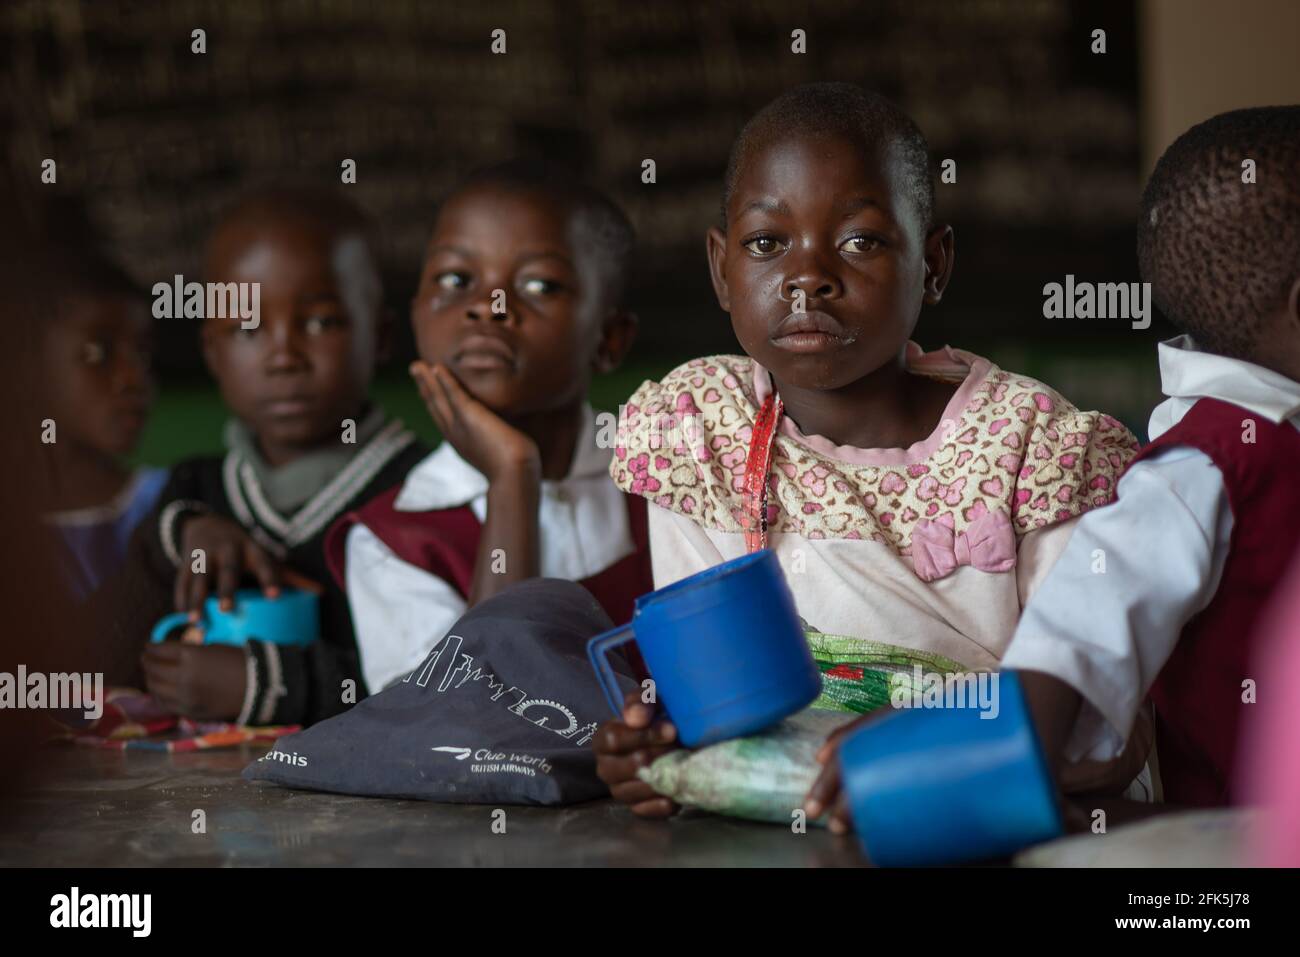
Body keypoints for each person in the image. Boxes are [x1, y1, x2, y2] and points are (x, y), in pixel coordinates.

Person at [595, 83, 1141, 818]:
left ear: (934, 264)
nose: (807, 275)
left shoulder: (1029, 445)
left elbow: (1096, 724)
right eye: (766, 243)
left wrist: (934, 748)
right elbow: (715, 711)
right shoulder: (700, 432)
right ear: (722, 269)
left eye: (860, 240)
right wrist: (661, 754)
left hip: (978, 823)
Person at [95, 187, 428, 727]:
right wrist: (175, 541)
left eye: (320, 322)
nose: (283, 356)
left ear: (382, 336)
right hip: (192, 806)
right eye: (247, 328)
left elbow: (438, 684)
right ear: (212, 352)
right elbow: (98, 659)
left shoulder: (424, 494)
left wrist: (267, 685)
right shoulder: (195, 492)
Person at [326, 161, 652, 694]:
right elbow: (468, 724)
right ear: (415, 316)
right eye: (457, 280)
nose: (487, 307)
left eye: (539, 284)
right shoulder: (394, 540)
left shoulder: (668, 481)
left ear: (609, 339)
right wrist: (511, 477)